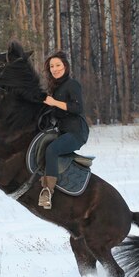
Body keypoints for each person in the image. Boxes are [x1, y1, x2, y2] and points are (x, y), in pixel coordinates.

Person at [39, 50, 89, 209]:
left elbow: (77, 107)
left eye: (58, 65)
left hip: (76, 131)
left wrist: (53, 102)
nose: (55, 69)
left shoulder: (72, 84)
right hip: (62, 130)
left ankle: (47, 191)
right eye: (52, 66)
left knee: (52, 150)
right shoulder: (54, 89)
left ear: (65, 66)